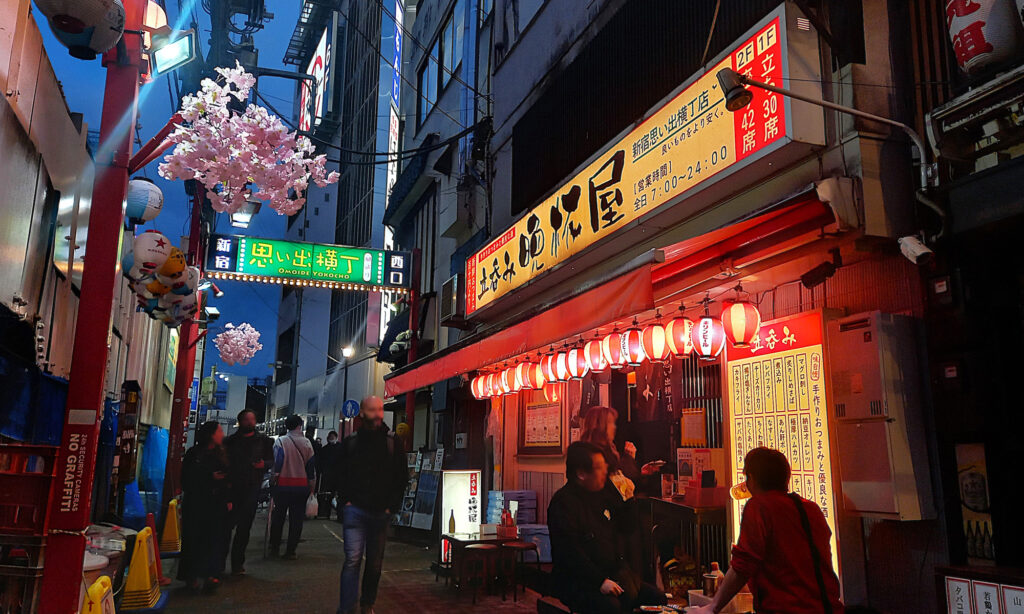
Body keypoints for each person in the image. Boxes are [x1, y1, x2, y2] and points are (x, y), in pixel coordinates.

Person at [690, 447, 844, 614]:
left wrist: (712, 608)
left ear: (752, 479)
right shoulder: (811, 509)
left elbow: (743, 566)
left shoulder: (759, 507)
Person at [548, 441, 666, 613]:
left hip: (615, 575)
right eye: (599, 468)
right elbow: (569, 553)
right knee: (612, 607)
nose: (605, 472)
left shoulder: (603, 493)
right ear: (581, 473)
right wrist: (599, 581)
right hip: (578, 582)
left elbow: (627, 528)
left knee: (658, 598)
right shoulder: (563, 503)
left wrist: (628, 499)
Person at [335, 396, 408, 614]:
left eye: (380, 409)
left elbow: (401, 477)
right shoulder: (352, 442)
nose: (377, 414)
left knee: (375, 563)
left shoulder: (392, 442)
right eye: (372, 410)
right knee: (352, 560)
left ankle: (367, 603)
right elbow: (340, 473)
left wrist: (391, 506)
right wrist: (345, 501)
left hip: (380, 512)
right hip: (355, 509)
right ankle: (347, 608)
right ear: (363, 413)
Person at [178, 421, 231, 592]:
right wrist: (210, 477)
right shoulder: (194, 454)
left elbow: (230, 477)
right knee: (194, 540)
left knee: (213, 540)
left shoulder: (222, 453)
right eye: (219, 431)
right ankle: (191, 576)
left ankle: (211, 575)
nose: (222, 434)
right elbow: (186, 479)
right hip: (196, 504)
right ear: (211, 434)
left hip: (216, 505)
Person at [223, 409, 275, 575]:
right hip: (232, 488)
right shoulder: (230, 442)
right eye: (247, 419)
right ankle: (219, 563)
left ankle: (238, 564)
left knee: (244, 529)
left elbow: (271, 461)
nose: (250, 422)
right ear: (240, 421)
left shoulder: (264, 441)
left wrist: (263, 465)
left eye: (252, 419)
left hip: (252, 488)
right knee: (225, 528)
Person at [581, 406, 660, 500]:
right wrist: (629, 459)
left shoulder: (605, 449)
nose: (614, 427)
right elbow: (615, 483)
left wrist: (639, 472)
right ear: (601, 426)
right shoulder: (596, 453)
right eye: (610, 423)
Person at [269, 414, 316, 560]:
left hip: (282, 486)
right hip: (301, 487)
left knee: (278, 518)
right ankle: (291, 550)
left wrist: (273, 480)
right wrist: (312, 486)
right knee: (296, 520)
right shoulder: (307, 443)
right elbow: (310, 468)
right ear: (299, 425)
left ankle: (274, 547)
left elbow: (277, 464)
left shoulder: (281, 442)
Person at [318, 430, 342, 520]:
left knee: (338, 495)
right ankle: (326, 513)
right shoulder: (324, 449)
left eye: (332, 437)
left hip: (338, 476)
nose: (331, 439)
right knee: (327, 495)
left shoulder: (341, 448)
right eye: (330, 437)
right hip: (328, 476)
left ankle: (338, 514)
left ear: (336, 437)